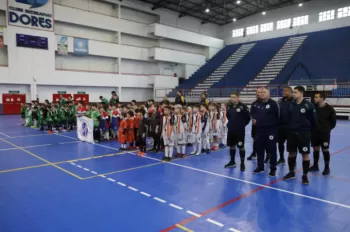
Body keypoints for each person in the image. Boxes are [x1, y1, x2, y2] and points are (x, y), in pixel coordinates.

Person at [283, 86, 317, 184]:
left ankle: (305, 175)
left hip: (304, 133)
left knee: (305, 155)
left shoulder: (308, 105)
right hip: (292, 133)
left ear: (301, 93)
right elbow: (289, 118)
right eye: (293, 92)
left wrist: (311, 133)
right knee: (291, 153)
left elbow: (314, 121)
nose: (294, 94)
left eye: (296, 92)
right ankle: (291, 172)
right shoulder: (291, 105)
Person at [251, 87, 279, 177]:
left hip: (271, 130)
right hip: (259, 130)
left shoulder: (273, 104)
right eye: (261, 92)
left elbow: (278, 116)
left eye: (264, 92)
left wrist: (273, 127)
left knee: (272, 150)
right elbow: (253, 114)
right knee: (259, 149)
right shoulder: (256, 104)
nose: (262, 93)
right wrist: (255, 120)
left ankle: (273, 168)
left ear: (268, 93)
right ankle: (260, 167)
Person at [309, 91, 336, 175]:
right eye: (314, 97)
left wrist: (326, 129)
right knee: (315, 149)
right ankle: (315, 165)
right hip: (314, 133)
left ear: (322, 98)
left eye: (317, 97)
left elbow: (333, 123)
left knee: (325, 149)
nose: (314, 98)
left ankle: (327, 167)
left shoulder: (330, 109)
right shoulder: (313, 107)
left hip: (324, 133)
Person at [224, 92, 251, 171]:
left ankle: (242, 163)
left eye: (234, 97)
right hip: (231, 129)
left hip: (240, 130)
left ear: (238, 98)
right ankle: (232, 162)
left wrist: (241, 125)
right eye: (231, 97)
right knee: (232, 145)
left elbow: (248, 118)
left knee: (241, 146)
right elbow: (228, 117)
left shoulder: (243, 107)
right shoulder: (229, 106)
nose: (232, 99)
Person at [277, 86, 294, 165]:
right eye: (283, 91)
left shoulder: (295, 102)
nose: (284, 92)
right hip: (280, 127)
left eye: (286, 91)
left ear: (291, 92)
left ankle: (293, 161)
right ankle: (281, 158)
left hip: (291, 127)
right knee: (280, 143)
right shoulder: (279, 101)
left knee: (292, 145)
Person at [247, 88, 261, 160]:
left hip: (264, 126)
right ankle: (254, 153)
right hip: (255, 125)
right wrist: (254, 119)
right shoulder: (254, 103)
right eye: (257, 92)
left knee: (265, 140)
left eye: (259, 92)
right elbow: (251, 113)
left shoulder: (267, 103)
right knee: (255, 139)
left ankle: (268, 155)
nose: (258, 94)